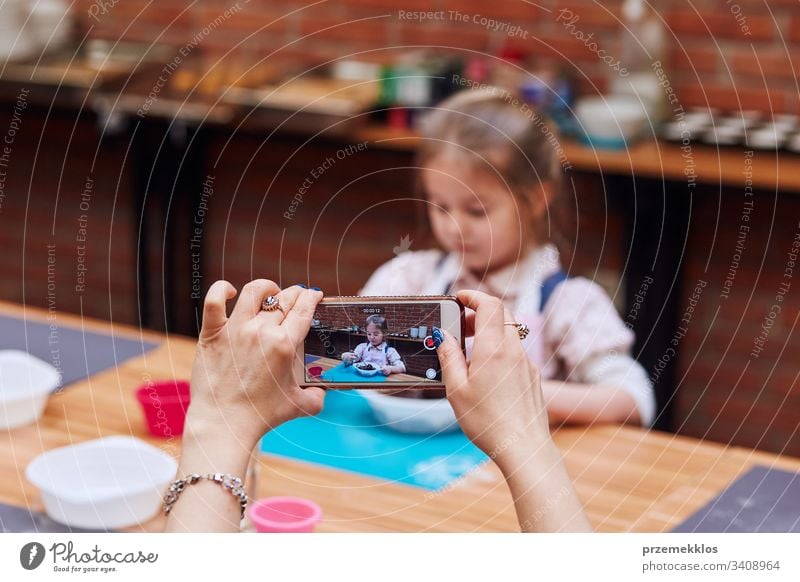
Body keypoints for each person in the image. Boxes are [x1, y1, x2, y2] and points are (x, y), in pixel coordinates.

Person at [164, 280, 591, 533]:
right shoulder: (365, 348)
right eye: (366, 332)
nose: (370, 337)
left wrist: (218, 421)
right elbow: (354, 362)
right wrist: (529, 438)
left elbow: (396, 367)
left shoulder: (390, 352)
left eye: (373, 333)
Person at [359, 89, 655, 427]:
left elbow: (633, 397)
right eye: (441, 206)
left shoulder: (567, 303)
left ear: (534, 199)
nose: (455, 226)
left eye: (476, 210)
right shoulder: (409, 279)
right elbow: (351, 357)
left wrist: (526, 393)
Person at [341, 314, 406, 376]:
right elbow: (351, 362)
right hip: (363, 377)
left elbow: (402, 367)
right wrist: (345, 357)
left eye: (376, 334)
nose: (372, 337)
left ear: (384, 333)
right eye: (369, 334)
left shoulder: (389, 351)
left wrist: (391, 369)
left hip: (380, 381)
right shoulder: (362, 347)